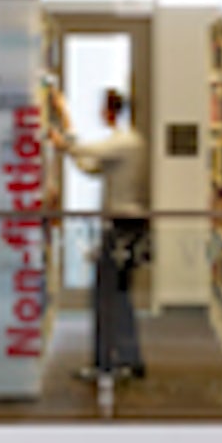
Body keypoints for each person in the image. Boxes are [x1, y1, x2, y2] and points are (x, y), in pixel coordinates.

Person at [48, 87, 151, 382]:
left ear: (112, 111)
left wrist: (64, 122)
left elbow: (85, 152)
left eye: (103, 108)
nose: (100, 114)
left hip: (123, 227)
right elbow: (88, 165)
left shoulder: (127, 142)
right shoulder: (122, 144)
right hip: (124, 227)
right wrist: (66, 141)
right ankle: (128, 360)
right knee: (117, 295)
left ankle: (106, 363)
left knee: (107, 296)